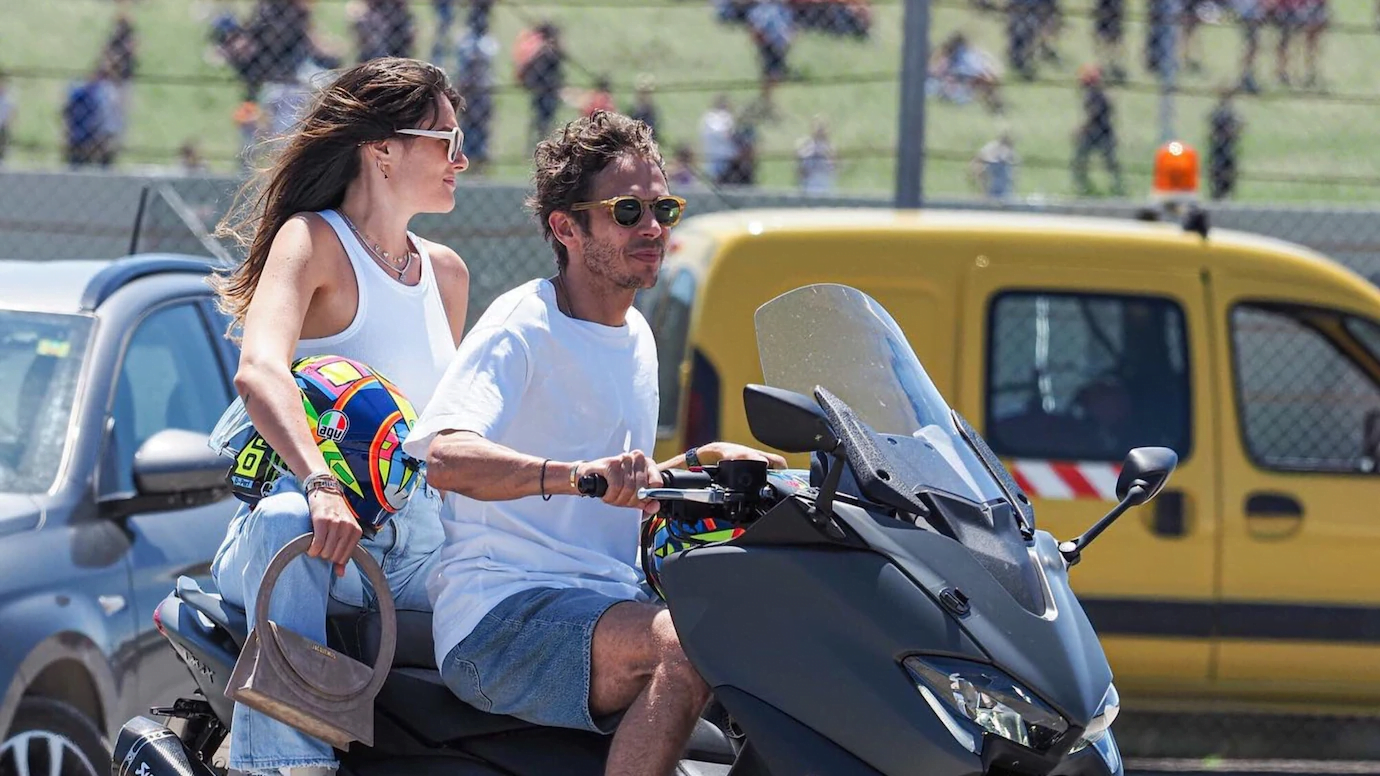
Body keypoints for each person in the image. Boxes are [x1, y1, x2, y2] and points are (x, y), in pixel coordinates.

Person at [402, 110, 785, 776]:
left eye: (664, 208)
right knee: (685, 646)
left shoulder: (636, 336)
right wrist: (573, 473)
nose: (653, 227)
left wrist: (702, 462)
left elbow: (611, 481)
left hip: (605, 603)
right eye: (627, 211)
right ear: (566, 228)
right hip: (501, 619)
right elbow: (445, 457)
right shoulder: (523, 325)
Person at [208, 57, 471, 776]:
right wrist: (321, 484)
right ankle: (284, 767)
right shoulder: (312, 240)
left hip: (415, 547)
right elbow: (260, 370)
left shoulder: (447, 274)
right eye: (448, 142)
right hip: (309, 531)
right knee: (287, 521)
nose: (463, 160)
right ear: (383, 149)